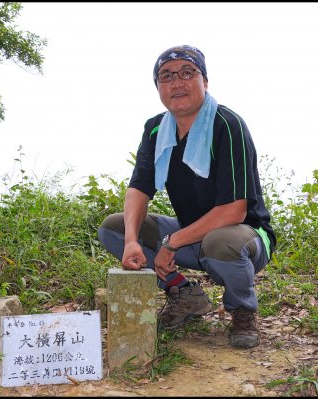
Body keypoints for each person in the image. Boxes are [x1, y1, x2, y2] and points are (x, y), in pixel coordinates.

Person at [98, 45, 276, 349]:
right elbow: (139, 188)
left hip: (245, 237)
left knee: (221, 242)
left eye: (187, 73)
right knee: (113, 228)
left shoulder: (227, 125)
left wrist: (172, 242)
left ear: (204, 81)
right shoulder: (156, 129)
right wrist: (131, 240)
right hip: (191, 233)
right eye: (166, 76)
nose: (176, 83)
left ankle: (243, 309)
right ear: (158, 88)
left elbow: (234, 211)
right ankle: (184, 294)